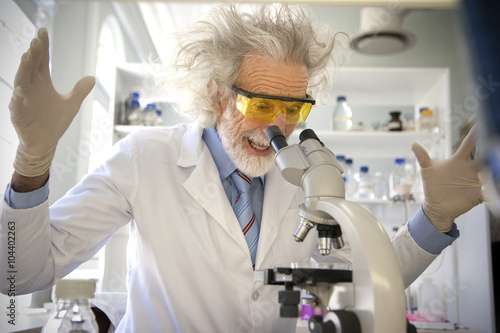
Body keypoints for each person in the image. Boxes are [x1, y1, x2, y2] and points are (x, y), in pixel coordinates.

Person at [0, 4, 484, 332]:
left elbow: (369, 279)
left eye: (294, 109)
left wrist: (435, 216)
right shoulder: (144, 158)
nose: (279, 127)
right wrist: (33, 162)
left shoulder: (305, 177)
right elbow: (19, 273)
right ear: (217, 93)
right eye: (262, 104)